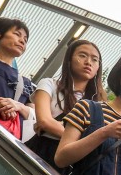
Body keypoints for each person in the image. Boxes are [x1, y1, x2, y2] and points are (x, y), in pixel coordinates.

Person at [27, 39, 105, 167]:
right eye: (82, 55)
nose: (88, 62)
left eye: (94, 59)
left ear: (98, 69)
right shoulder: (49, 84)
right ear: (69, 60)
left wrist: (54, 127)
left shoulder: (98, 104)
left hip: (70, 163)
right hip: (40, 152)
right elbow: (44, 121)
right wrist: (82, 139)